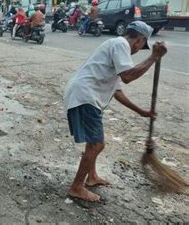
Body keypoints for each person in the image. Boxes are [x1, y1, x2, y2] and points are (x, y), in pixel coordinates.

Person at [64, 21, 167, 202]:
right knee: (97, 145)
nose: (137, 52)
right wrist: (153, 58)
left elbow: (117, 90)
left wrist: (141, 111)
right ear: (140, 40)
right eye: (141, 47)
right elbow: (128, 76)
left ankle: (92, 177)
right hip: (86, 96)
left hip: (86, 95)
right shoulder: (120, 44)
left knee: (93, 143)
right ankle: (76, 187)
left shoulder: (115, 46)